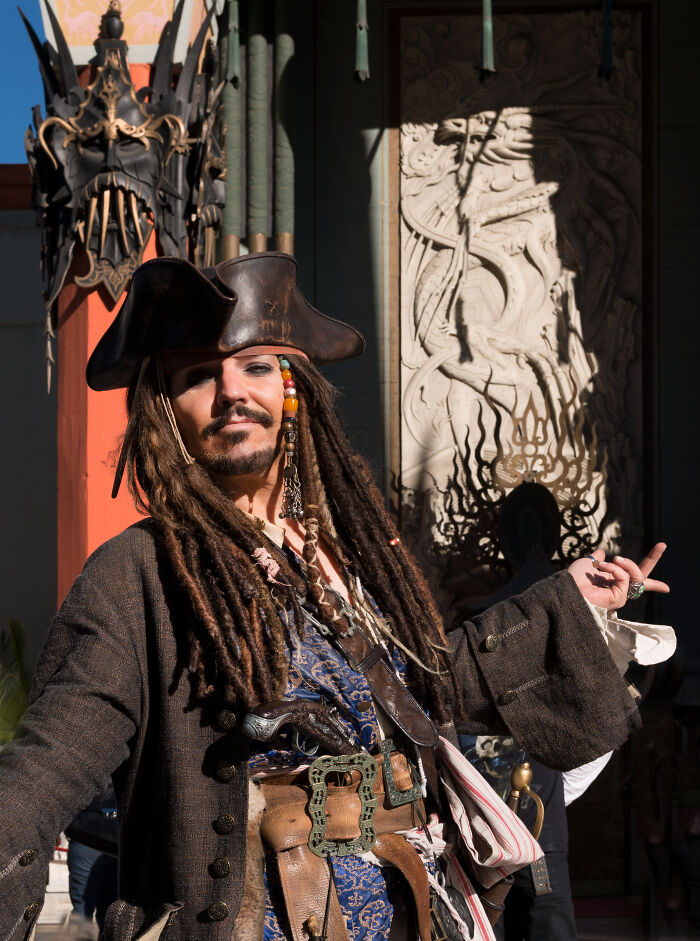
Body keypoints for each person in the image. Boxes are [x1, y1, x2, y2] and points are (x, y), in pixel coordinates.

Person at [0, 252, 673, 941]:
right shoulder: (135, 574)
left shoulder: (346, 553)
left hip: (409, 912)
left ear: (292, 389)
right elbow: (46, 767)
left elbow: (431, 688)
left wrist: (565, 602)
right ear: (165, 409)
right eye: (200, 374)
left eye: (256, 366)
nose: (233, 389)